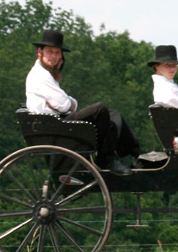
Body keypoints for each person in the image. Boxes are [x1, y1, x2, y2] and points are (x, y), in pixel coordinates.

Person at [25, 30, 140, 176]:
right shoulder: (40, 76)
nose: (54, 57)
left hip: (57, 123)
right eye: (50, 52)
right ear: (39, 52)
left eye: (57, 53)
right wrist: (68, 102)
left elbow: (68, 103)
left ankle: (134, 153)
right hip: (56, 128)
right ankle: (107, 158)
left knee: (113, 114)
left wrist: (68, 102)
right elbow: (65, 105)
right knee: (100, 109)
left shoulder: (46, 74)